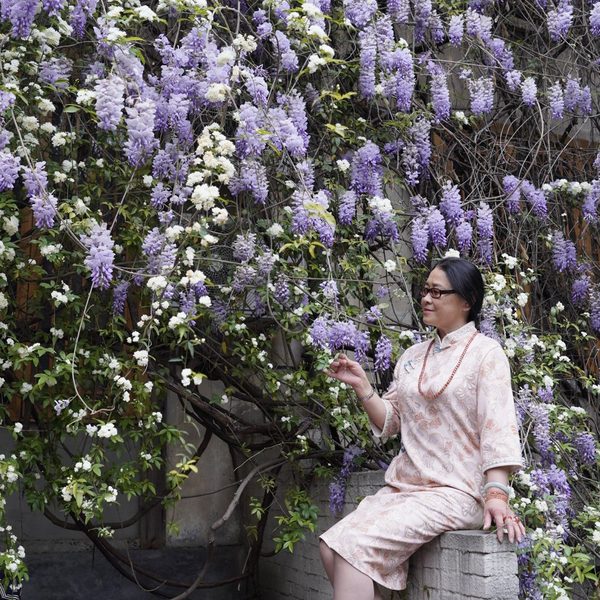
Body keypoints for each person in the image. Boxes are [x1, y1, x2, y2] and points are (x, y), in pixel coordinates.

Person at [319, 257, 525, 600]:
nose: (426, 298)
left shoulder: (486, 354)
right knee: (330, 547)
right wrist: (362, 386)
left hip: (456, 490)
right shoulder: (413, 356)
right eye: (425, 290)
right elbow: (390, 420)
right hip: (406, 488)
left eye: (437, 292)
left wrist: (496, 495)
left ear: (466, 301)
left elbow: (498, 428)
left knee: (352, 548)